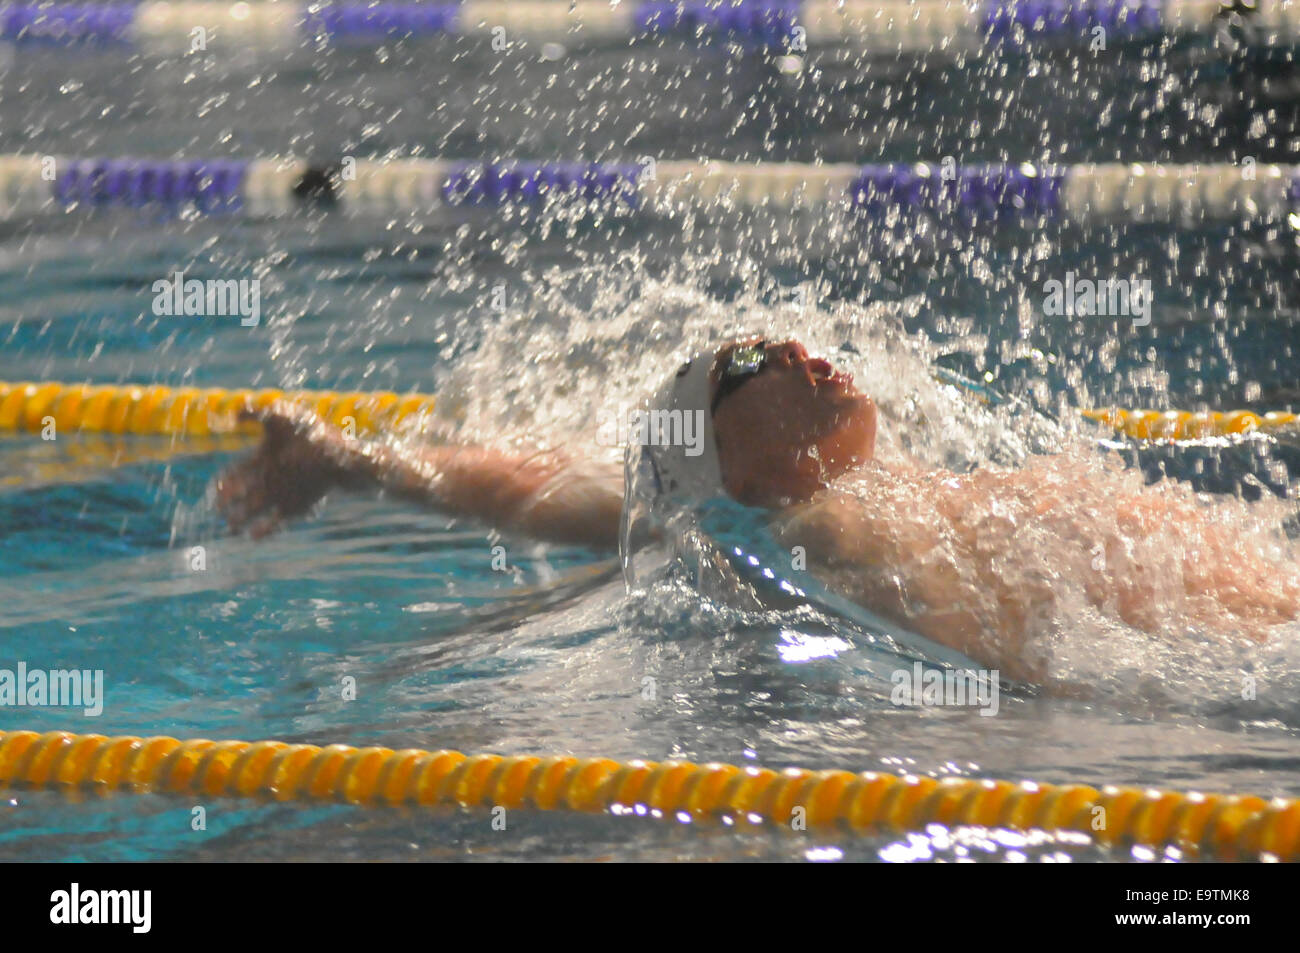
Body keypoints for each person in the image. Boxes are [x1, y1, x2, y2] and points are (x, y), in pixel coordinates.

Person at [216, 338, 1299, 684]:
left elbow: (549, 485)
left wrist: (354, 461)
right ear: (738, 464)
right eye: (746, 364)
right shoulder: (819, 524)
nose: (793, 352)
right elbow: (575, 495)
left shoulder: (861, 490)